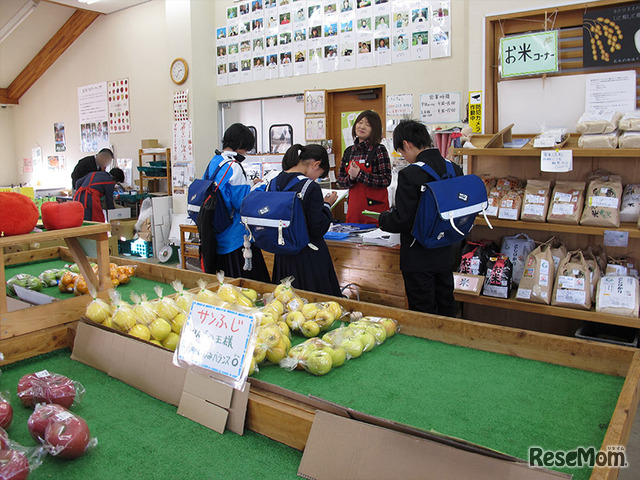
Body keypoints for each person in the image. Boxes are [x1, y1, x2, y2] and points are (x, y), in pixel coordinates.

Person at [378, 120, 462, 316]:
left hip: (419, 254)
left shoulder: (411, 174)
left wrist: (383, 219)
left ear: (406, 144)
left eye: (402, 152)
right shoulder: (454, 169)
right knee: (446, 303)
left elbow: (403, 220)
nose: (405, 158)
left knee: (423, 311)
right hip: (447, 251)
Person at [201, 123, 270, 282]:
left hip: (216, 231)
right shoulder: (235, 167)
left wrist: (250, 185)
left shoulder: (215, 162)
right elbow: (242, 204)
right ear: (241, 144)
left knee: (225, 284)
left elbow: (224, 191)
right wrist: (260, 187)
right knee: (247, 285)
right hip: (236, 237)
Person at [271, 144, 341, 296]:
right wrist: (327, 205)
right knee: (314, 304)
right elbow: (317, 227)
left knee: (286, 301)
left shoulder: (273, 182)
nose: (316, 178)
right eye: (319, 174)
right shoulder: (310, 187)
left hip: (282, 253)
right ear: (316, 164)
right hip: (307, 256)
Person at [337, 110, 391, 224]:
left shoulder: (379, 150)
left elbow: (386, 180)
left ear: (374, 129)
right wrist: (351, 178)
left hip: (374, 212)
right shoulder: (348, 152)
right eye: (360, 122)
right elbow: (341, 181)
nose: (362, 127)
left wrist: (359, 175)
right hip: (353, 211)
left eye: (368, 125)